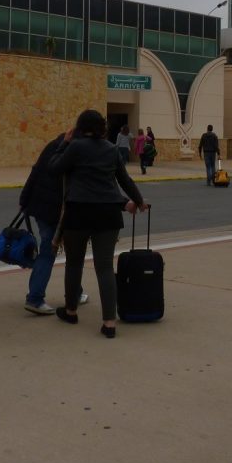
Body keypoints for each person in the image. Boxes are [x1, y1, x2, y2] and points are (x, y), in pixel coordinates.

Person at [49, 110, 149, 338]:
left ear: (80, 126)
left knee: (74, 263)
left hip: (79, 211)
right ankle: (109, 322)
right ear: (103, 127)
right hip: (108, 213)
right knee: (104, 267)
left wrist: (63, 143)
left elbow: (54, 168)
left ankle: (71, 310)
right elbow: (125, 179)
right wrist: (139, 201)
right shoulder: (112, 149)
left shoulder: (76, 147)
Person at [18, 132, 90, 315]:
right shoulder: (75, 153)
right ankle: (35, 297)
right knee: (52, 252)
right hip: (58, 210)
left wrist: (24, 199)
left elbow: (36, 171)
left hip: (40, 207)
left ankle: (75, 291)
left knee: (54, 249)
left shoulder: (52, 146)